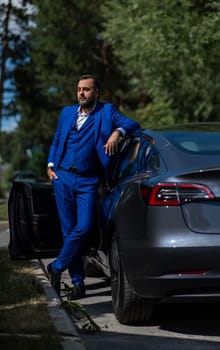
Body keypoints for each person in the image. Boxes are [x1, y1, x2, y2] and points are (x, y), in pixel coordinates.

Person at [46, 74, 141, 300]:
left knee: (85, 227)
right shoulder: (67, 113)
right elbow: (57, 139)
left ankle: (56, 267)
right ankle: (78, 284)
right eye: (79, 89)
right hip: (62, 177)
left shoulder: (106, 112)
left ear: (95, 92)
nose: (81, 93)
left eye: (86, 90)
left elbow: (133, 124)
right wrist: (50, 167)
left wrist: (117, 133)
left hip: (88, 180)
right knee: (69, 231)